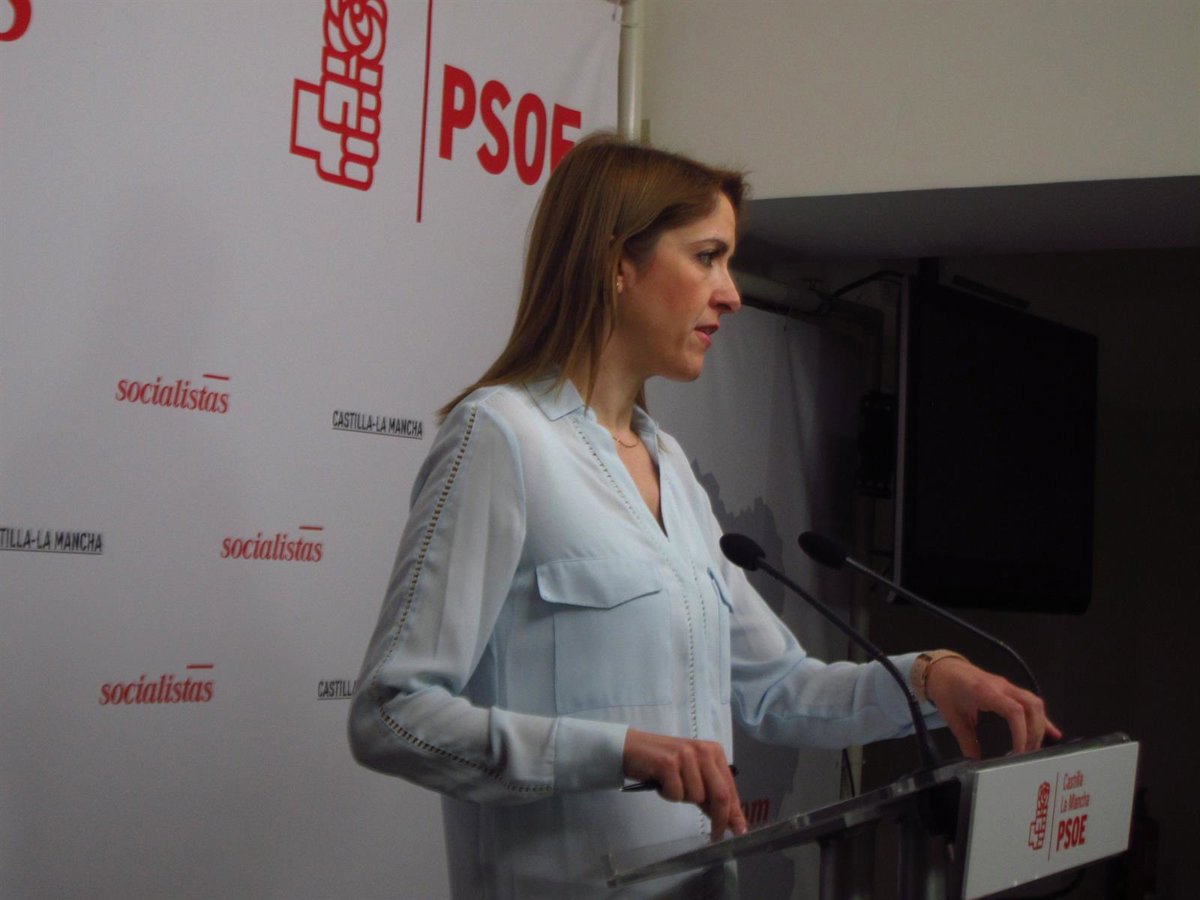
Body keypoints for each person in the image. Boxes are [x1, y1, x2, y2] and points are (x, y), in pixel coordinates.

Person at [347, 133, 1059, 898]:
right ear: (617, 262)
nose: (731, 293)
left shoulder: (672, 467)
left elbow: (780, 689)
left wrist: (927, 678)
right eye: (707, 257)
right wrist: (616, 752)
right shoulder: (502, 437)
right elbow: (391, 714)